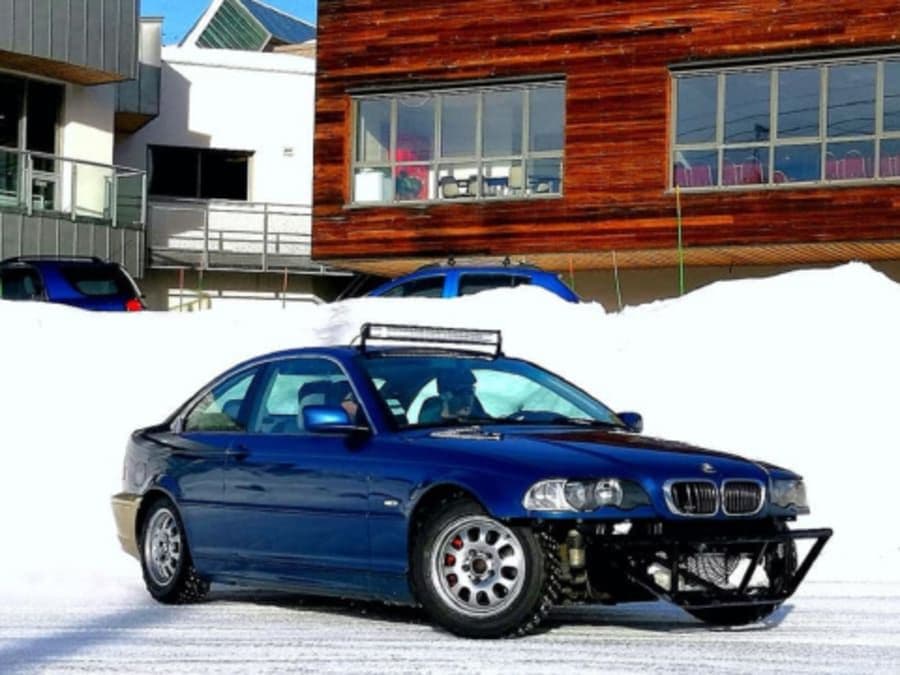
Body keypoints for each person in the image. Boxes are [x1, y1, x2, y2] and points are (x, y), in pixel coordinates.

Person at [419, 369, 487, 424]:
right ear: (444, 395)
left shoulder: (480, 418)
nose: (468, 397)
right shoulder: (428, 424)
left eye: (470, 391)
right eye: (461, 392)